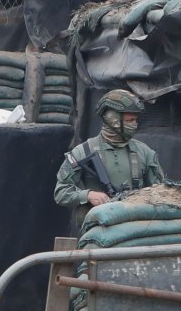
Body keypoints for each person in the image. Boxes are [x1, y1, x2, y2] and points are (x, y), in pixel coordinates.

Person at [54, 88, 166, 231]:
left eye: (136, 120)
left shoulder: (144, 153)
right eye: (129, 120)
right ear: (112, 119)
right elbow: (61, 192)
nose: (134, 124)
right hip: (97, 231)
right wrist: (88, 195)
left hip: (135, 230)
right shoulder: (82, 152)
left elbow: (161, 192)